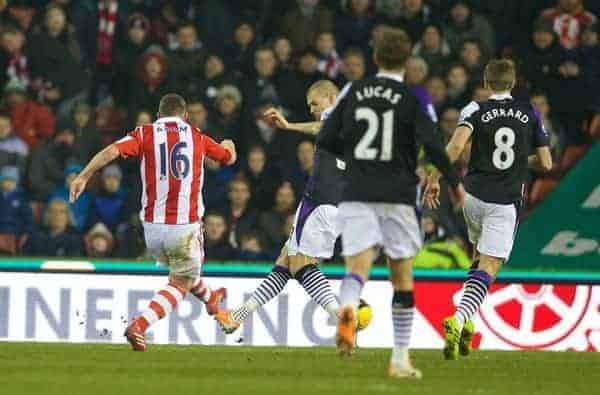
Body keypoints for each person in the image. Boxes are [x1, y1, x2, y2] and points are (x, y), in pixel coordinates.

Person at [316, 28, 463, 378]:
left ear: (376, 57)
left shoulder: (354, 90)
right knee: (402, 276)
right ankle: (399, 359)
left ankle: (349, 306)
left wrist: (353, 155)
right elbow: (435, 146)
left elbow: (326, 137)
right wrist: (455, 184)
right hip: (398, 193)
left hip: (357, 191)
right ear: (408, 60)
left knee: (358, 267)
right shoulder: (411, 98)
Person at [69, 93, 237, 351]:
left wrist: (83, 176)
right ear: (185, 116)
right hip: (185, 226)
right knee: (181, 281)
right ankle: (139, 325)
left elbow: (111, 151)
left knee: (185, 272)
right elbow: (227, 158)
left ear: (159, 116)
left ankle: (213, 303)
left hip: (152, 228)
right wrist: (229, 144)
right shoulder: (196, 136)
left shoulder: (144, 133)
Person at [423, 59, 552, 360]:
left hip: (473, 197)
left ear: (486, 81)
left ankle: (468, 325)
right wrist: (522, 162)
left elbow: (454, 149)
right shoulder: (529, 111)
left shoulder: (473, 109)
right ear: (514, 81)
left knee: (479, 258)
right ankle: (458, 318)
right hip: (504, 201)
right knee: (490, 267)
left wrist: (433, 178)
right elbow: (546, 163)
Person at [215, 80, 345, 334]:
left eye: (315, 103)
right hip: (330, 201)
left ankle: (341, 317)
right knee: (285, 263)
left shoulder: (336, 114)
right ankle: (237, 317)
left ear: (331, 97)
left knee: (302, 265)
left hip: (320, 200)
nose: (312, 109)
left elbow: (324, 126)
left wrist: (289, 126)